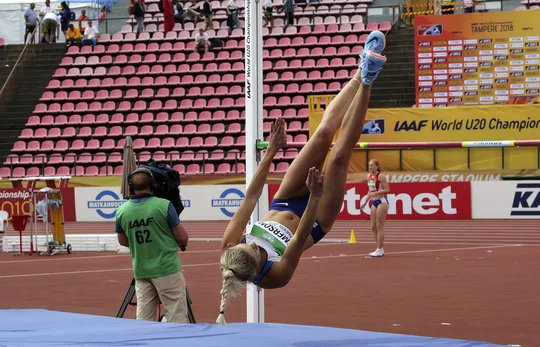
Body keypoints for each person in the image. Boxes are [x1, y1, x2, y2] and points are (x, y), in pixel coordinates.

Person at [216, 30, 387, 325]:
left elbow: (251, 197)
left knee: (321, 135)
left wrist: (270, 152)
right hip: (315, 219)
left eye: (249, 242)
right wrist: (316, 196)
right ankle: (370, 81)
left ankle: (361, 70)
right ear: (257, 268)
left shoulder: (230, 246)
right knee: (339, 157)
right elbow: (298, 238)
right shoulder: (273, 276)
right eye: (256, 249)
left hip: (284, 202)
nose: (255, 243)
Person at [115, 168, 190, 323]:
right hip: (167, 268)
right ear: (153, 185)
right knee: (176, 314)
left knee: (144, 317)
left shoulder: (122, 211)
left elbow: (122, 241)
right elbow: (182, 237)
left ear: (131, 187)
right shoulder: (164, 205)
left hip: (141, 271)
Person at [361, 159, 390, 257]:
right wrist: (365, 202)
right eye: (369, 165)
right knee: (373, 227)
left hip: (382, 202)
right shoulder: (368, 176)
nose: (370, 167)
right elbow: (370, 191)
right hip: (374, 202)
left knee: (379, 226)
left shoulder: (381, 176)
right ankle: (379, 248)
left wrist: (376, 193)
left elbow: (387, 190)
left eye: (372, 165)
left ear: (377, 166)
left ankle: (379, 249)